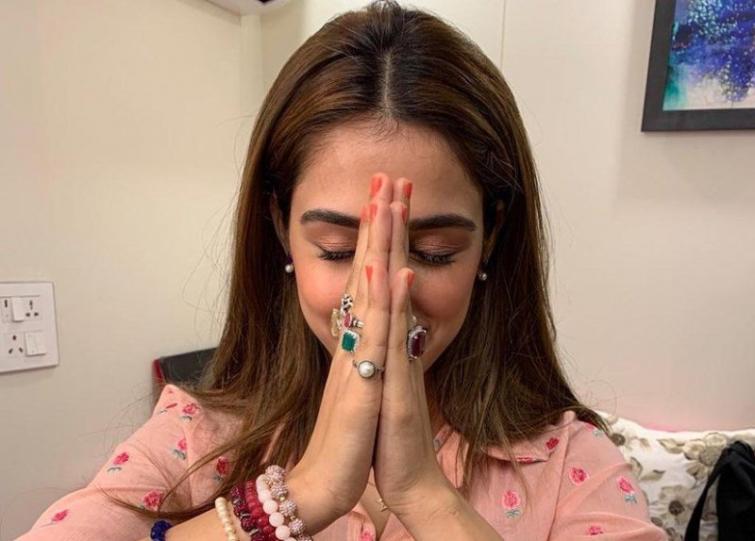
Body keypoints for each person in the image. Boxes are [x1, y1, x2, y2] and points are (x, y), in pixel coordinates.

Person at [16, 1, 668, 540]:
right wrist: (301, 494)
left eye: (433, 250)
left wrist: (426, 496)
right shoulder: (195, 436)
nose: (380, 294)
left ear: (490, 238)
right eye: (335, 248)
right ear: (280, 228)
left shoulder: (572, 463)